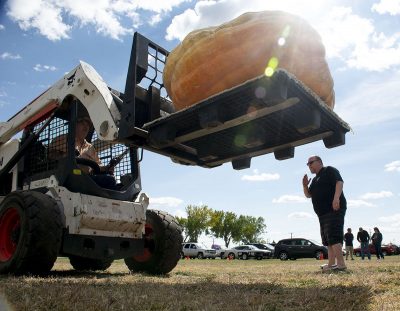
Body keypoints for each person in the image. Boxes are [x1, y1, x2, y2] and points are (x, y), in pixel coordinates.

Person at [302, 155, 347, 272]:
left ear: (319, 162)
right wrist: (305, 185)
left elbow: (339, 182)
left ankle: (341, 264)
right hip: (322, 214)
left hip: (334, 209)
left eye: (311, 162)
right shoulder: (315, 179)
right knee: (328, 239)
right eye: (308, 164)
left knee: (334, 236)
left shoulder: (329, 170)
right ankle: (331, 264)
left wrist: (336, 198)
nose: (309, 166)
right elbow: (308, 195)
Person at [49, 115, 117, 190]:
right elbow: (50, 157)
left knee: (110, 180)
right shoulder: (62, 139)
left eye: (88, 125)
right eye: (83, 124)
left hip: (87, 178)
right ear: (75, 125)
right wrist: (66, 156)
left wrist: (107, 168)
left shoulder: (90, 147)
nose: (86, 127)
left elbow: (98, 166)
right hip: (67, 177)